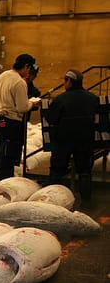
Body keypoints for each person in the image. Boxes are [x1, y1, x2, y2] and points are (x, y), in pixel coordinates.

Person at [0, 53, 40, 181]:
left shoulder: (3, 75)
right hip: (11, 122)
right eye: (29, 69)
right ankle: (4, 182)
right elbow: (22, 107)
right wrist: (33, 103)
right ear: (26, 67)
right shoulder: (20, 82)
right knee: (8, 155)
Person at [46, 69, 99, 201]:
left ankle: (54, 200)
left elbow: (51, 118)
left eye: (64, 80)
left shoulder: (60, 99)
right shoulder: (92, 98)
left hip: (64, 140)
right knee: (85, 171)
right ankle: (86, 200)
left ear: (69, 81)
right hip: (85, 140)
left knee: (57, 171)